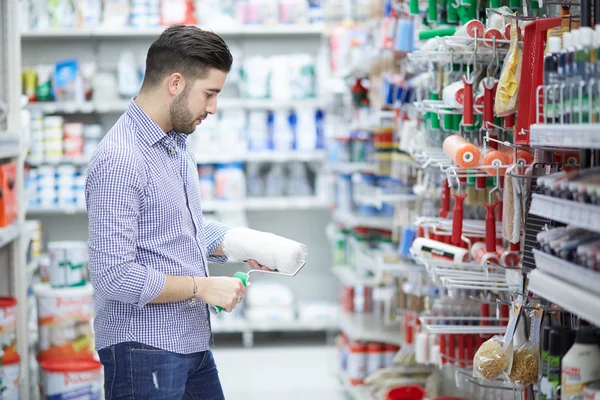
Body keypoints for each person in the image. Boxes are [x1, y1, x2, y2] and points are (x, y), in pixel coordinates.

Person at [85, 25, 269, 399]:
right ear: (175, 83)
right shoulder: (121, 160)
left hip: (190, 343)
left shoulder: (175, 143)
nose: (213, 108)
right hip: (143, 350)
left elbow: (178, 229)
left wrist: (242, 243)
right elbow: (113, 274)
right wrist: (202, 287)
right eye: (209, 94)